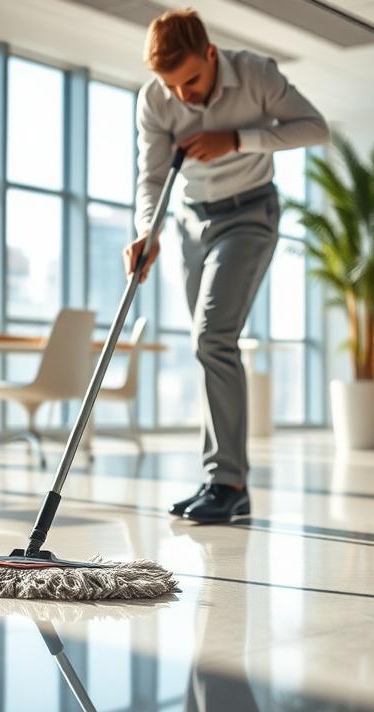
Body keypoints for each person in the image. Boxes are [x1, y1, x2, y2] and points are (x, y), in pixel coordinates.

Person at [124, 8, 328, 523]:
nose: (183, 97)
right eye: (172, 87)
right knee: (209, 346)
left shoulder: (256, 74)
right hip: (194, 223)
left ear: (211, 54)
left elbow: (314, 128)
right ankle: (218, 480)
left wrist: (238, 140)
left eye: (191, 80)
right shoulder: (153, 101)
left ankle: (228, 481)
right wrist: (148, 231)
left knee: (211, 337)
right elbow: (151, 180)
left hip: (250, 213)